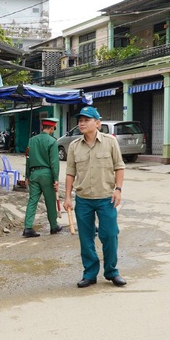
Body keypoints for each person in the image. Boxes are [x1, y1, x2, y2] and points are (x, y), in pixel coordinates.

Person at [63, 106, 127, 288]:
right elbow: (70, 174)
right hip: (83, 199)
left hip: (106, 198)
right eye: (80, 121)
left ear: (97, 123)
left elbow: (119, 166)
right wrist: (67, 197)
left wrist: (118, 189)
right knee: (86, 238)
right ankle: (90, 274)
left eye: (86, 120)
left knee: (110, 235)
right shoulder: (74, 146)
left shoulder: (110, 142)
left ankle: (112, 272)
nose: (81, 123)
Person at [22, 118, 62, 237]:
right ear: (51, 128)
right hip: (47, 175)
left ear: (42, 127)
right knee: (50, 201)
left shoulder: (31, 140)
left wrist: (27, 175)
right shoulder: (52, 141)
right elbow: (54, 163)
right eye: (53, 129)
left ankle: (28, 227)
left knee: (32, 200)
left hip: (33, 173)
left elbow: (27, 158)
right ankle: (53, 226)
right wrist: (56, 179)